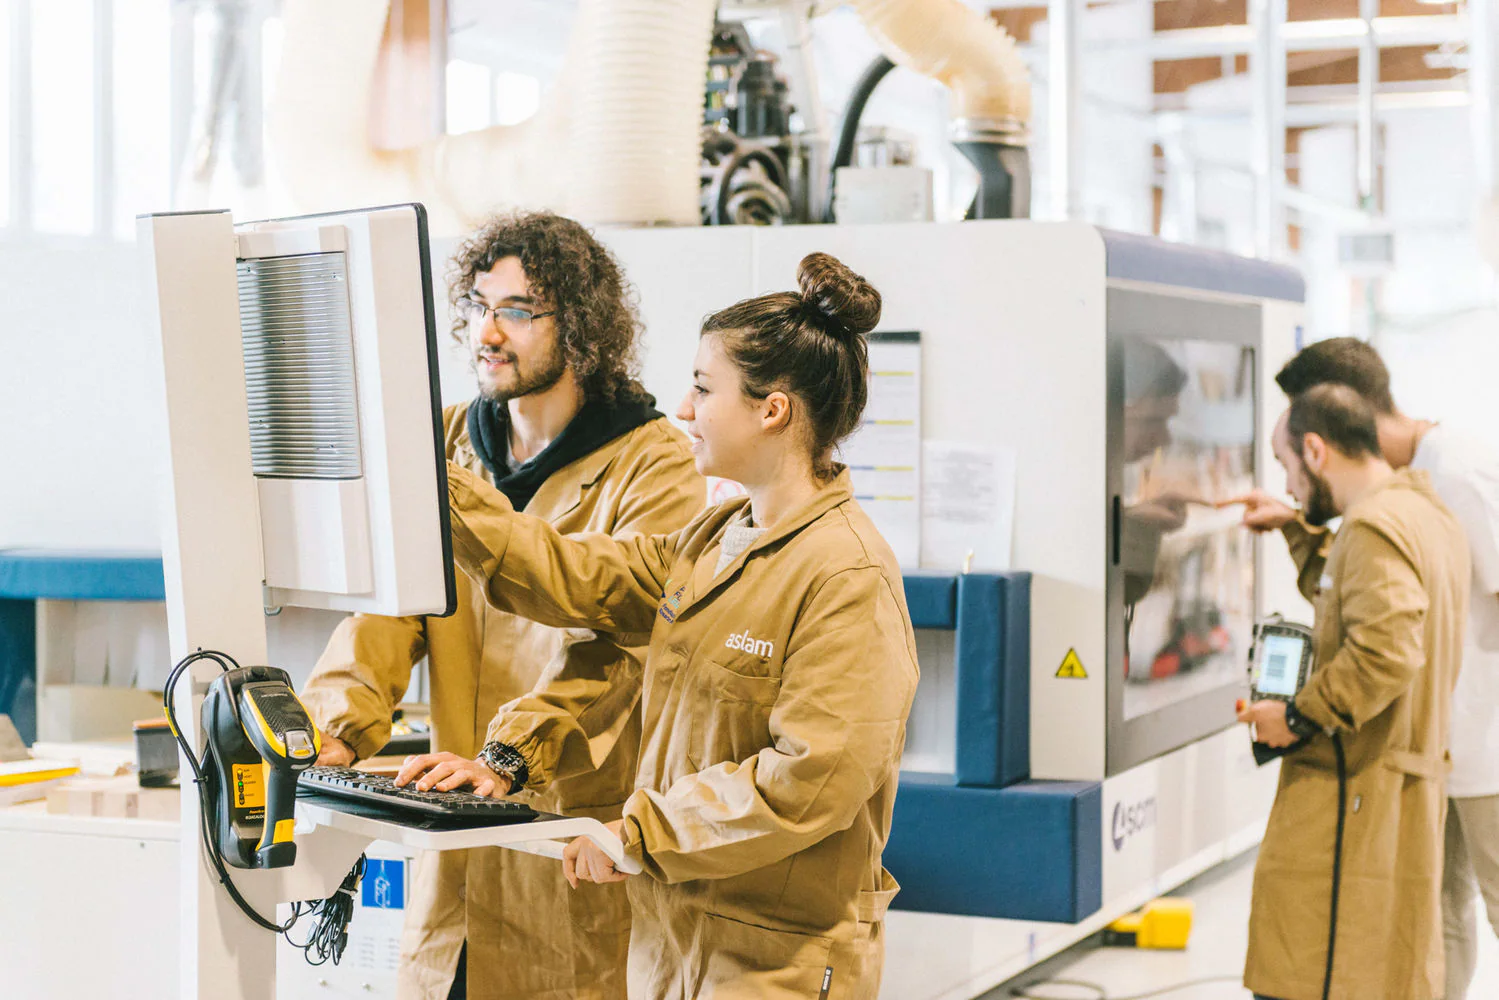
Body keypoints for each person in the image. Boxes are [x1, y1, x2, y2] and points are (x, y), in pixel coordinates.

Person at [398, 251, 920, 999]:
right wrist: (430, 476)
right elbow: (568, 574)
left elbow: (811, 779)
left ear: (772, 410)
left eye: (705, 389)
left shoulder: (844, 574)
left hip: (773, 967)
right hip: (671, 941)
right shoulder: (712, 542)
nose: (682, 407)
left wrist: (639, 833)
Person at [299, 211, 704, 1000]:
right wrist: (334, 732)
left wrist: (508, 756)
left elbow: (622, 651)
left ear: (581, 327)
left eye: (517, 311)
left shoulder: (652, 464)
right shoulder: (448, 440)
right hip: (451, 849)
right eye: (480, 306)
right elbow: (390, 610)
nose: (488, 331)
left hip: (562, 845)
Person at [1275, 337, 1499, 1000]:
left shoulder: (1456, 471)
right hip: (1441, 744)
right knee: (1434, 916)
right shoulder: (1403, 488)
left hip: (1487, 745)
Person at [1232, 384, 1469, 1000]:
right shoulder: (1423, 513)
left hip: (1353, 800)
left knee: (1305, 974)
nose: (1287, 485)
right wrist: (1298, 533)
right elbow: (1356, 601)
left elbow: (1387, 649)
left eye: (1286, 465)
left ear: (1316, 449)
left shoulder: (1373, 528)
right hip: (1396, 797)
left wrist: (1296, 716)